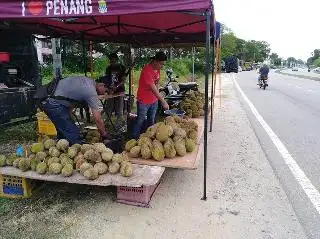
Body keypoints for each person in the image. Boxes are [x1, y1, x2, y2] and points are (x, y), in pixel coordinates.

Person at [40, 76, 108, 144]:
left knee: (65, 131)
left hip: (51, 100)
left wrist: (69, 119)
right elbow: (98, 119)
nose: (105, 93)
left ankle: (62, 147)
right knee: (73, 135)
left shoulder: (88, 81)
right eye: (106, 90)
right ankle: (73, 146)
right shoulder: (91, 91)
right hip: (52, 102)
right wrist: (104, 134)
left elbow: (71, 98)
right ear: (101, 85)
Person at [132, 51, 169, 139]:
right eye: (161, 64)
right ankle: (134, 139)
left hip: (154, 101)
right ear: (155, 61)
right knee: (139, 121)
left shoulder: (158, 69)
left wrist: (158, 96)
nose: (162, 66)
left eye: (163, 64)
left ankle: (149, 139)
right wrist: (163, 101)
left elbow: (156, 84)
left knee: (151, 121)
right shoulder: (147, 70)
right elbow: (152, 88)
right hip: (144, 101)